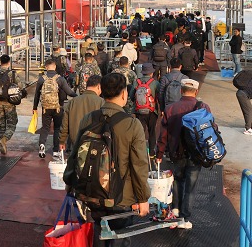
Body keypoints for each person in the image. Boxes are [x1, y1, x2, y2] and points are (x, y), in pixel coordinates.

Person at [64, 73, 150, 246]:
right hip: (121, 197)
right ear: (124, 94)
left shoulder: (89, 118)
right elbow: (139, 165)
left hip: (91, 193)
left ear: (102, 91)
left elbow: (75, 153)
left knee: (98, 232)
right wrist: (143, 198)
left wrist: (70, 182)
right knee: (120, 237)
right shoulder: (132, 124)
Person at [156, 79, 211, 230]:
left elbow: (163, 135)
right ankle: (185, 218)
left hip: (176, 153)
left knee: (177, 181)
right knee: (190, 187)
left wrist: (159, 153)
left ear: (181, 90)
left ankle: (175, 210)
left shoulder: (170, 108)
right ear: (196, 92)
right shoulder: (203, 107)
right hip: (196, 155)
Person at [32, 59, 77, 158]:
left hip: (45, 108)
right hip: (58, 108)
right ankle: (56, 150)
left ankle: (42, 145)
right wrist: (78, 96)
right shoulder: (60, 79)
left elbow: (36, 95)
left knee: (45, 128)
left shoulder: (41, 79)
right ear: (55, 67)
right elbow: (69, 92)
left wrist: (34, 107)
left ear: (46, 67)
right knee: (57, 128)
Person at [0, 54, 25, 154]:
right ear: (8, 62)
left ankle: (2, 146)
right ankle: (4, 140)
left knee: (1, 125)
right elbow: (20, 86)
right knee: (12, 124)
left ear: (0, 62)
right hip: (9, 103)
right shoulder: (12, 74)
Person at [59, 75, 104, 153]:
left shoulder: (73, 102)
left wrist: (62, 141)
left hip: (76, 142)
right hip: (95, 144)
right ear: (99, 86)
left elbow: (65, 124)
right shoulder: (101, 102)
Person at [132, 63, 159, 155]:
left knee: (140, 132)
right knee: (152, 132)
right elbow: (159, 96)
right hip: (152, 111)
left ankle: (140, 152)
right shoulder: (155, 83)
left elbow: (132, 96)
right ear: (151, 73)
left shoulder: (136, 82)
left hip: (139, 111)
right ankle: (151, 152)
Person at [233, 69, 252, 135]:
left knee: (249, 110)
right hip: (243, 95)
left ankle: (249, 127)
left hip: (242, 93)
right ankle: (248, 129)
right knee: (248, 111)